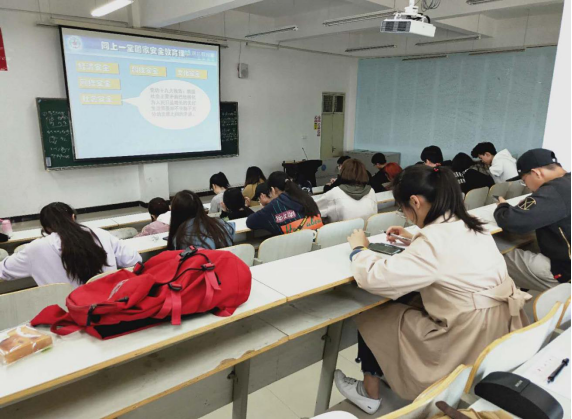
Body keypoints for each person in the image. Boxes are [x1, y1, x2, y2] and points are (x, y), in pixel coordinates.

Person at [336, 165, 529, 413]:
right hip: (499, 324)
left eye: (402, 208)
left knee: (373, 314)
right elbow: (451, 256)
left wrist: (359, 249)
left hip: (464, 334)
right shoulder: (471, 224)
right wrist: (413, 239)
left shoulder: (433, 240)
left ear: (415, 202)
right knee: (409, 301)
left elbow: (376, 278)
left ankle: (369, 392)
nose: (405, 215)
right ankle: (386, 372)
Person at [0, 203, 142, 288]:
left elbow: (3, 271)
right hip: (110, 306)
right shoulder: (100, 234)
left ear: (45, 228)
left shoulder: (35, 248)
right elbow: (134, 260)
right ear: (73, 217)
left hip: (66, 315)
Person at [495, 149, 571, 291]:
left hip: (564, 273)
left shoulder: (555, 190)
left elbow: (510, 220)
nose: (528, 187)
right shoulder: (565, 184)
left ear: (536, 173)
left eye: (524, 181)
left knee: (494, 255)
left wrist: (502, 207)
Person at [246, 172, 324, 235]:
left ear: (273, 189)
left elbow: (250, 222)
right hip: (318, 241)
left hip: (297, 246)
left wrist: (269, 204)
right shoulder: (307, 198)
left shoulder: (275, 205)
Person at [167, 190, 235, 251]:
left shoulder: (180, 239)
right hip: (226, 259)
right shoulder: (221, 225)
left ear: (175, 213)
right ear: (200, 207)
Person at [315, 159, 377, 224]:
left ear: (343, 172)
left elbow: (314, 208)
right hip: (365, 229)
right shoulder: (371, 191)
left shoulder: (335, 192)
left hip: (341, 229)